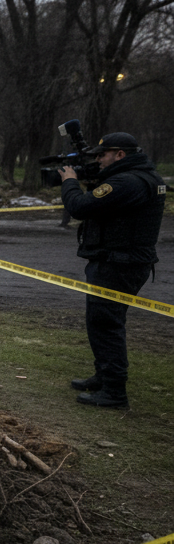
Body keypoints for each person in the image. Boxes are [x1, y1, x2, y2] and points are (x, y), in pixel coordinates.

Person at [59, 132, 166, 409]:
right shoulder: (140, 177)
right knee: (100, 321)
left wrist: (69, 182)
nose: (98, 160)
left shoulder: (127, 181)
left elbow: (79, 207)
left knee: (107, 324)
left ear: (120, 155)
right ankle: (104, 377)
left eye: (102, 155)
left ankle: (115, 392)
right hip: (121, 261)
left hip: (119, 263)